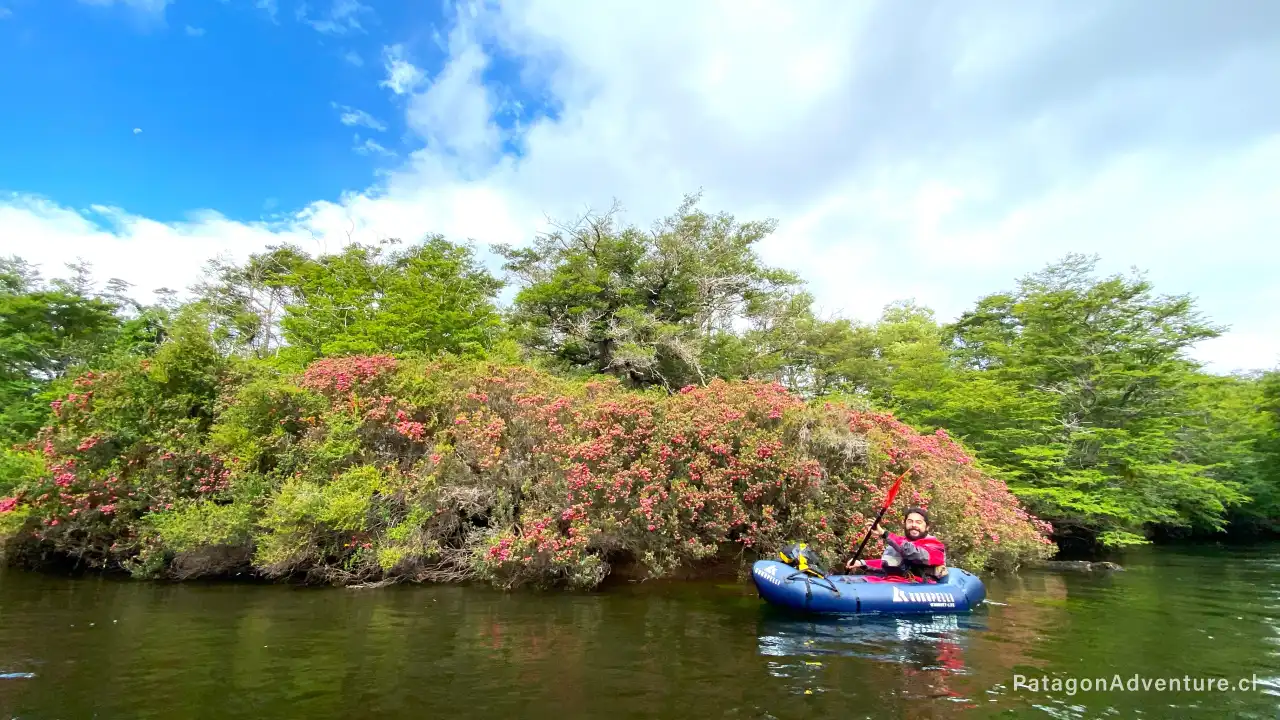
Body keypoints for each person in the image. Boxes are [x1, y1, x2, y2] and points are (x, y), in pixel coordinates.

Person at [846, 507, 947, 579]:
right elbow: (886, 564)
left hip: (922, 588)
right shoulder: (897, 543)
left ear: (927, 527)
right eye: (910, 521)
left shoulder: (935, 546)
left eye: (918, 522)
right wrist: (861, 563)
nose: (913, 525)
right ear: (905, 524)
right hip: (897, 584)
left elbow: (913, 553)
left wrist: (884, 533)